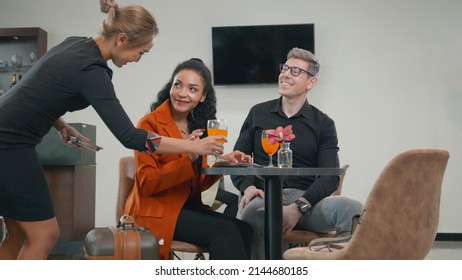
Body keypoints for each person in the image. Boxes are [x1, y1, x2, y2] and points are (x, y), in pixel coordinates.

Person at [0, 1, 228, 260]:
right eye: (140, 52)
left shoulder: (76, 44)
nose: (138, 59)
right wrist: (193, 146)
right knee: (45, 234)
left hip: (6, 136)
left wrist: (60, 124)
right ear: (122, 39)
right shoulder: (93, 72)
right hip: (10, 146)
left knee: (19, 234)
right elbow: (129, 137)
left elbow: (38, 91)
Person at [231, 47, 364, 259]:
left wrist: (298, 207)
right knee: (253, 215)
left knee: (353, 209)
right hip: (263, 197)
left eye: (295, 71)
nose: (285, 74)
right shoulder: (258, 113)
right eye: (284, 68)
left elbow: (330, 177)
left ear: (311, 82)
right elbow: (237, 160)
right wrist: (247, 188)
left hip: (308, 201)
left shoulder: (324, 124)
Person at [123, 58, 253, 260]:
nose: (182, 93)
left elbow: (196, 185)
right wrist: (191, 155)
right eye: (177, 85)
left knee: (245, 229)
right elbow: (147, 183)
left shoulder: (196, 127)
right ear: (170, 87)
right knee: (225, 232)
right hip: (156, 211)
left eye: (192, 89)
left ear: (203, 96)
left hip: (185, 207)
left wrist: (223, 164)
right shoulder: (149, 124)